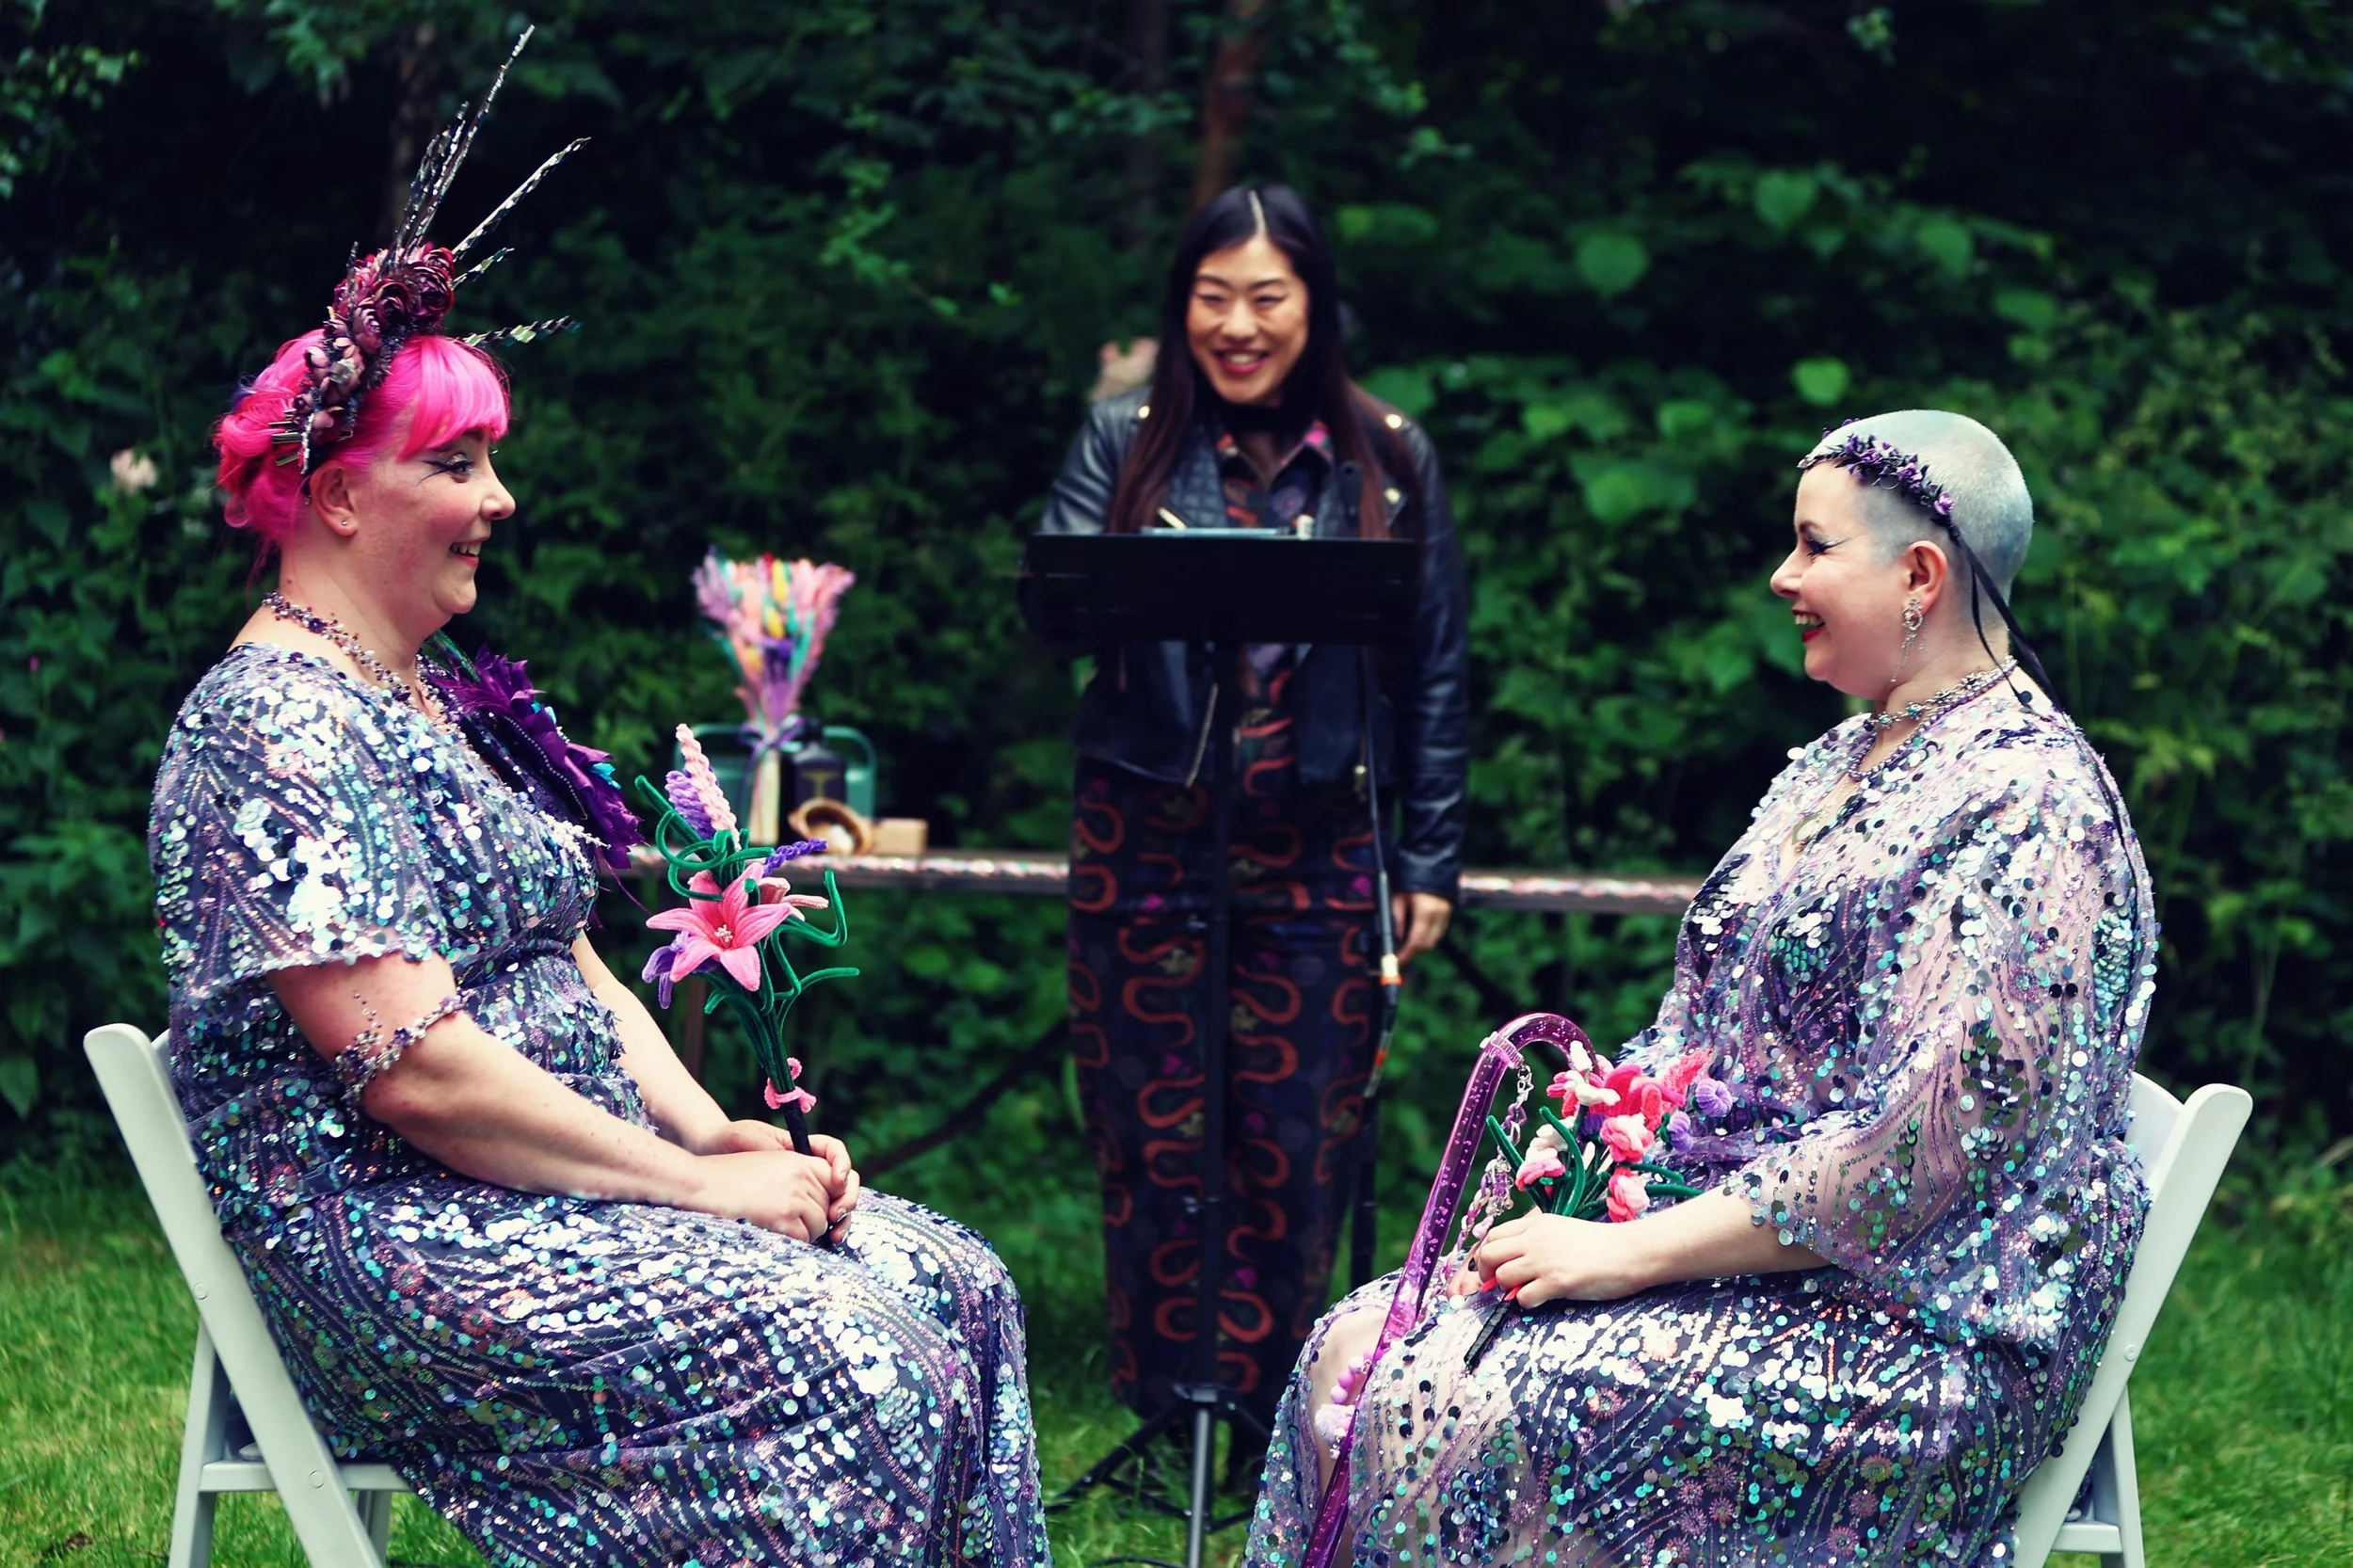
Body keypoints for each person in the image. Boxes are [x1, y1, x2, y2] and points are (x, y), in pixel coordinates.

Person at [148, 44, 1047, 1566]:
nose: (500, 499)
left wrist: (723, 1137)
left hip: (551, 1192)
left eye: (494, 460)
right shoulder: (269, 727)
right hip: (400, 1233)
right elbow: (416, 1077)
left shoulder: (431, 695)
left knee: (958, 1284)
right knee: (847, 1344)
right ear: (339, 494)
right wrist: (693, 1189)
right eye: (457, 463)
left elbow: (570, 968)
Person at [1243, 411, 2156, 1566]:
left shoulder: (2031, 804)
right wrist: (1595, 1150)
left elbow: (1922, 1153)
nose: (1783, 575)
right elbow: (1701, 1035)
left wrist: (1631, 1254)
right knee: (1360, 1343)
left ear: (1920, 575)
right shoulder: (1836, 759)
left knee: (1459, 1396)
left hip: (1918, 1321)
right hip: (1746, 1259)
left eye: (1815, 546)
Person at [1025, 183, 1470, 1443]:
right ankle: (1167, 1409)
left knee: (1294, 1139)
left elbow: (1434, 668)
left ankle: (1279, 1415)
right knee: (1150, 1130)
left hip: (1320, 842)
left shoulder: (1389, 455)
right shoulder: (1125, 439)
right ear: (1182, 306)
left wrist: (1429, 855)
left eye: (1266, 297)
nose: (1237, 324)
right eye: (1211, 297)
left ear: (1313, 306)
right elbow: (1053, 608)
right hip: (1144, 839)